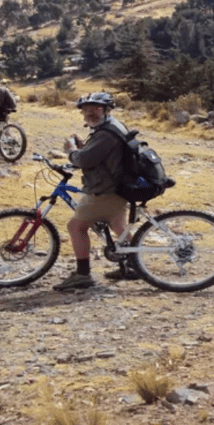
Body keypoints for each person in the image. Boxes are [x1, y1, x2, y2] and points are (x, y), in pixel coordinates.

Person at [53, 92, 132, 291]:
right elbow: (98, 154)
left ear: (106, 110)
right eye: (86, 110)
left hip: (105, 190)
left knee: (76, 227)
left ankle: (83, 275)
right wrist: (85, 148)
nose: (90, 113)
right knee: (119, 226)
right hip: (119, 187)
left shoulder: (106, 133)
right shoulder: (111, 126)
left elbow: (85, 160)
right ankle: (134, 266)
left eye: (95, 109)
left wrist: (72, 151)